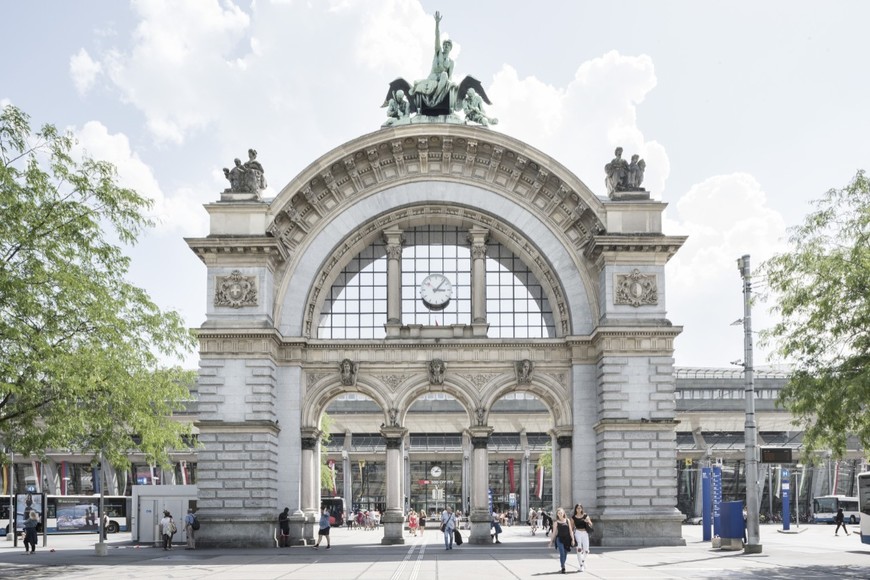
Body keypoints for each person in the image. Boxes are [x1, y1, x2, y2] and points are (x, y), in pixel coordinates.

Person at [409, 12, 455, 110]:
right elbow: (437, 37)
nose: (446, 46)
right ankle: (430, 99)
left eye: (448, 45)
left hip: (442, 81)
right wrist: (437, 23)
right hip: (432, 78)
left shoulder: (451, 62)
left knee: (445, 75)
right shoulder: (438, 52)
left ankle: (434, 98)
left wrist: (451, 84)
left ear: (450, 48)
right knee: (421, 81)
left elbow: (450, 77)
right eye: (445, 45)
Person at [548, 507, 576, 574]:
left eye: (561, 513)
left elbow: (570, 531)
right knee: (562, 553)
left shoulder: (567, 520)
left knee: (565, 553)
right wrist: (551, 542)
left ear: (563, 513)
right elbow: (554, 532)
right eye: (558, 513)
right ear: (557, 514)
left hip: (567, 539)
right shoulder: (556, 523)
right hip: (559, 539)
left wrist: (573, 539)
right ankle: (563, 567)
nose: (560, 514)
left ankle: (562, 564)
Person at [571, 504, 593, 572]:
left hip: (585, 533)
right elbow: (571, 528)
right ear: (575, 509)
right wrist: (572, 537)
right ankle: (581, 565)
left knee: (586, 550)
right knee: (579, 549)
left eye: (580, 508)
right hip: (578, 533)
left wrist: (588, 521)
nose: (579, 509)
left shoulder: (585, 515)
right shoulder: (573, 517)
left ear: (582, 509)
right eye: (577, 508)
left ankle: (583, 561)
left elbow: (591, 524)